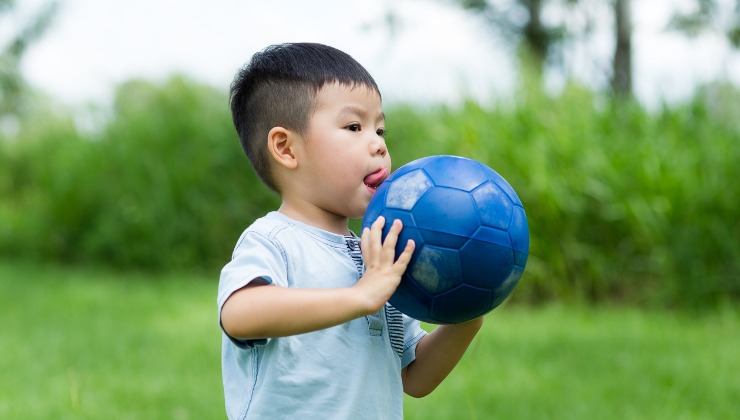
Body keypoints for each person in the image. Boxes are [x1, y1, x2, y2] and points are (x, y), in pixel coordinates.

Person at [218, 42, 483, 419]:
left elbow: (416, 377)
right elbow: (239, 314)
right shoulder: (275, 241)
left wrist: (468, 311)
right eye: (354, 126)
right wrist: (360, 295)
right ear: (286, 149)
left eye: (380, 128)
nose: (378, 144)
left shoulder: (379, 255)